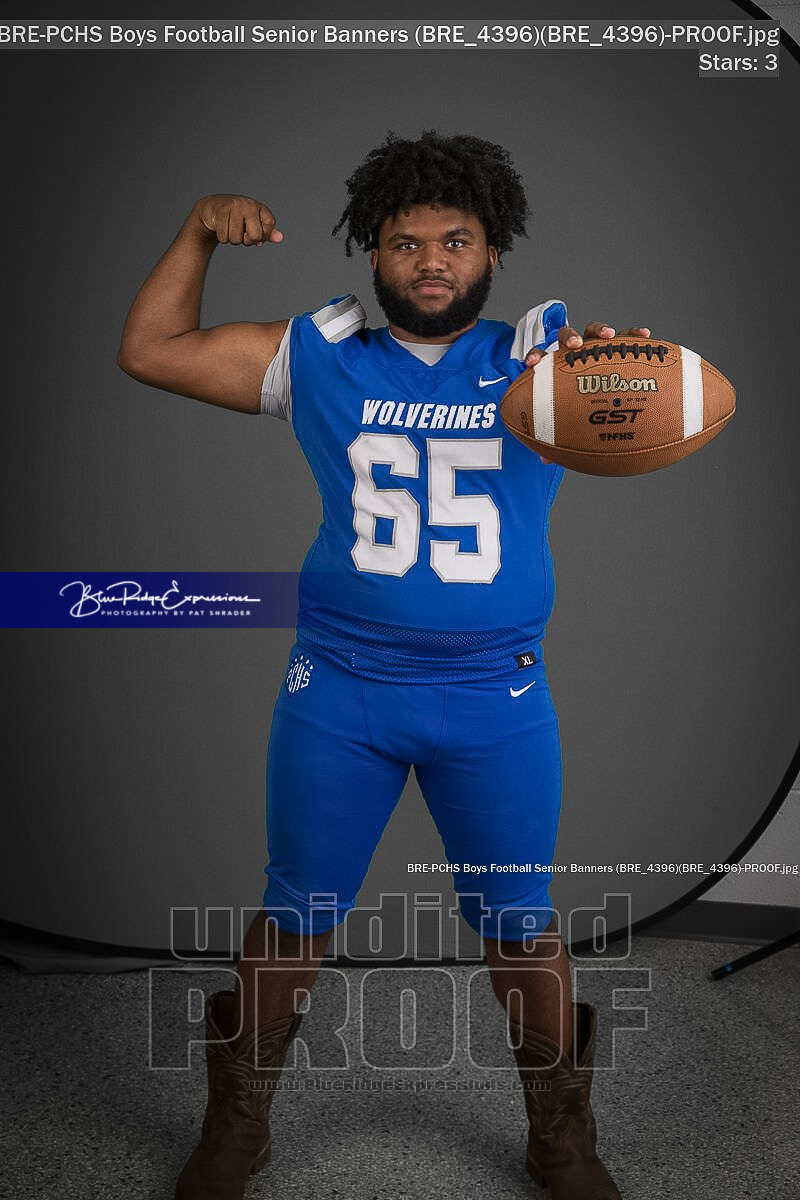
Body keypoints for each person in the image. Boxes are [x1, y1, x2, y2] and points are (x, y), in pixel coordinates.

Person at [118, 131, 649, 1200]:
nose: (431, 261)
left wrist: (632, 374)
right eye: (406, 243)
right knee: (295, 912)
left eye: (455, 240)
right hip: (342, 688)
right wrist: (197, 231)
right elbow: (151, 348)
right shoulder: (316, 356)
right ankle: (237, 1123)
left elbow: (641, 410)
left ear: (492, 250)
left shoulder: (542, 364)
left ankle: (561, 1138)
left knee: (520, 923)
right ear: (373, 252)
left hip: (494, 691)